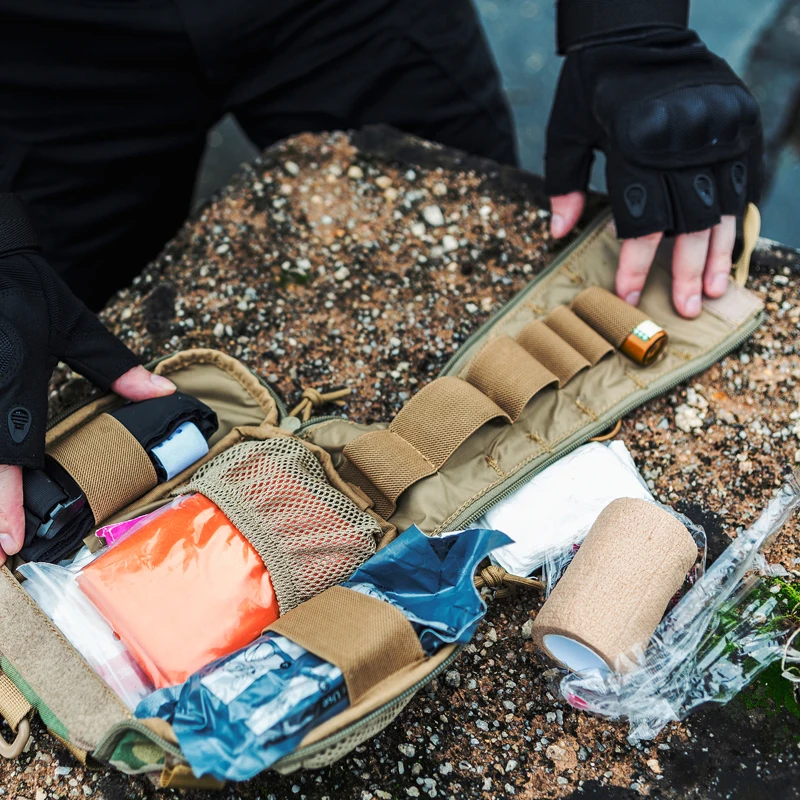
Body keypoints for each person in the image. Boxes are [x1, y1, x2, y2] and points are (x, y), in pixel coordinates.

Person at [0, 0, 763, 563]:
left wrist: (630, 28)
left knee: (498, 263)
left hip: (350, 16)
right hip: (46, 48)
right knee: (47, 368)